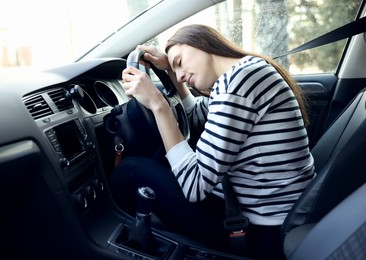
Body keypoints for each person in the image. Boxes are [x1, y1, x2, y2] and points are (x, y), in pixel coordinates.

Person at [110, 24, 316, 259]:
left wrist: (159, 104)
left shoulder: (240, 84)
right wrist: (169, 69)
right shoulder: (243, 75)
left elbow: (194, 186)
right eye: (174, 70)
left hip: (259, 232)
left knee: (130, 171)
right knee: (159, 158)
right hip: (264, 213)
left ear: (200, 42)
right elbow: (196, 115)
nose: (180, 76)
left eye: (179, 62)